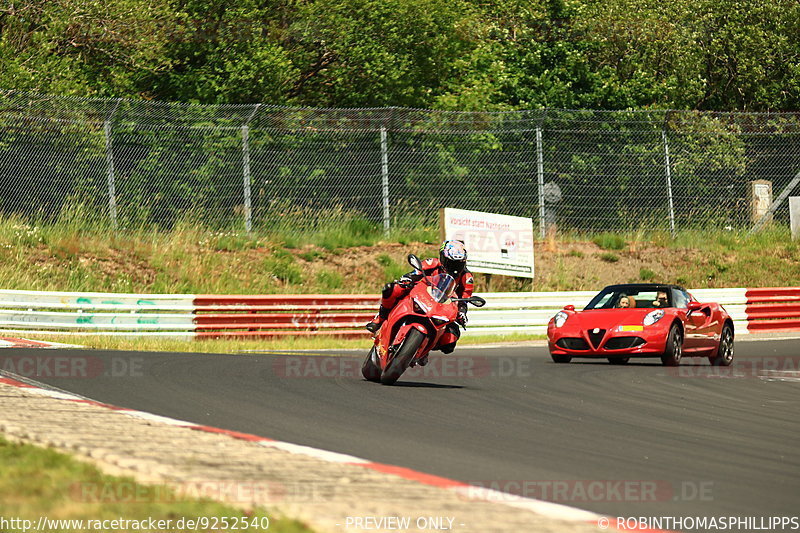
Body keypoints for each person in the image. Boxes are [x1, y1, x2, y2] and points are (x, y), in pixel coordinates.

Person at [366, 240, 474, 362]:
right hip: (421, 293)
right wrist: (407, 279)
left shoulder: (467, 277)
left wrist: (462, 312)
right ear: (442, 258)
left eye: (457, 264)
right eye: (450, 262)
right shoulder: (432, 263)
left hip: (443, 307)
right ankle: (380, 318)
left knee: (450, 341)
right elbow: (416, 272)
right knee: (392, 289)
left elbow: (465, 299)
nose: (453, 268)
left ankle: (423, 348)